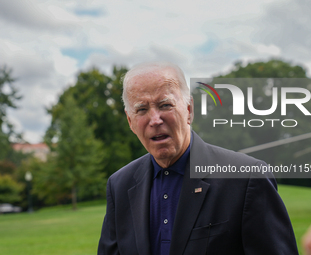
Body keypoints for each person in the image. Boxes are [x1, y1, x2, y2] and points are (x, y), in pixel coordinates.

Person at [98, 62, 298, 255]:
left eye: (165, 105)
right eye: (142, 109)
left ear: (189, 110)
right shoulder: (119, 186)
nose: (155, 120)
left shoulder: (246, 179)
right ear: (130, 121)